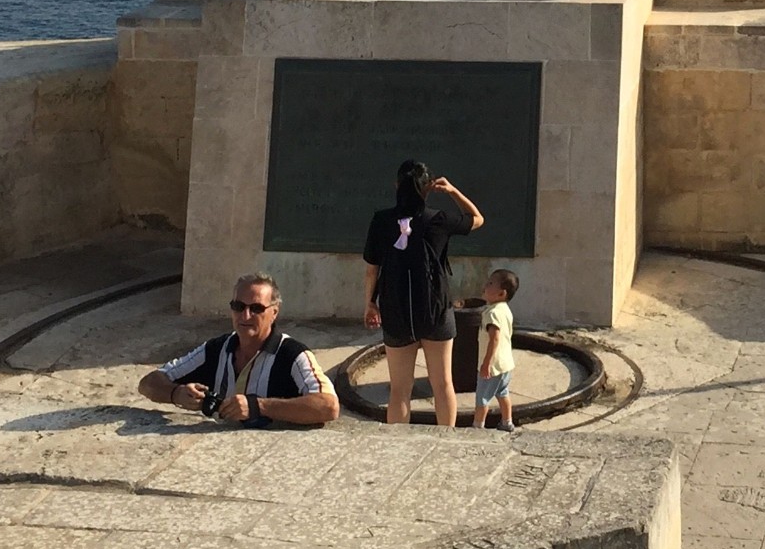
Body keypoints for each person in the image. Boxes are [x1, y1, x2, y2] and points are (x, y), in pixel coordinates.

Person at [363, 160, 485, 426]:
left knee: (399, 391)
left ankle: (401, 444)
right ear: (428, 188)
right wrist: (452, 191)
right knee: (442, 384)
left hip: (396, 309)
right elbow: (478, 219)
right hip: (436, 310)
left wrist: (370, 305)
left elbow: (372, 270)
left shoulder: (381, 220)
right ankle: (446, 442)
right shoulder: (439, 220)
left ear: (397, 186)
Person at [138, 272, 339, 427]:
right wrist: (176, 393)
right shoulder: (216, 349)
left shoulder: (293, 355)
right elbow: (148, 383)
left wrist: (258, 407)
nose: (245, 316)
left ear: (274, 313)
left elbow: (328, 406)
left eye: (257, 309)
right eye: (238, 306)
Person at [468, 268, 519, 432]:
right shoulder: (505, 310)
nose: (485, 285)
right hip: (506, 364)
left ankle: (478, 426)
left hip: (493, 366)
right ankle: (507, 422)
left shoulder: (493, 314)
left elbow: (494, 338)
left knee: (482, 398)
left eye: (490, 283)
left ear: (501, 294)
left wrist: (486, 363)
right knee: (503, 393)